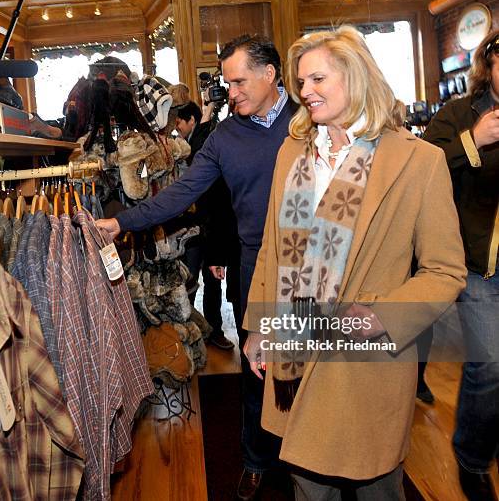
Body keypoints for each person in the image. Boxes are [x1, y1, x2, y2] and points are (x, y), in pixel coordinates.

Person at [242, 26, 466, 500]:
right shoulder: (293, 152)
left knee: (376, 486)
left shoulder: (418, 161)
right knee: (308, 484)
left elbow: (444, 269)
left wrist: (383, 317)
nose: (305, 92)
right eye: (301, 82)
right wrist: (257, 327)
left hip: (366, 360)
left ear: (356, 76)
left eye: (318, 79)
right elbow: (274, 247)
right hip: (294, 348)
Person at [96, 34, 299, 500]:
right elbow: (180, 193)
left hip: (315, 267)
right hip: (255, 266)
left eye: (239, 81)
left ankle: (305, 457)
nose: (233, 92)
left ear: (270, 74)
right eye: (227, 84)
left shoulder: (308, 121)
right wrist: (120, 222)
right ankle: (256, 457)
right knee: (258, 369)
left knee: (309, 369)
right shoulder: (226, 136)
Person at [423, 29, 499, 501]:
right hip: (478, 265)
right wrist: (475, 140)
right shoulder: (458, 114)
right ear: (488, 68)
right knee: (490, 364)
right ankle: (472, 457)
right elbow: (423, 167)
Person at [175, 100, 236, 350]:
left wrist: (207, 115)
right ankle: (190, 330)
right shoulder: (179, 147)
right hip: (190, 226)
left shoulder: (201, 142)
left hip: (208, 224)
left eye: (179, 121)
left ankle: (213, 330)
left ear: (192, 120)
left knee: (211, 282)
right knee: (189, 280)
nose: (177, 126)